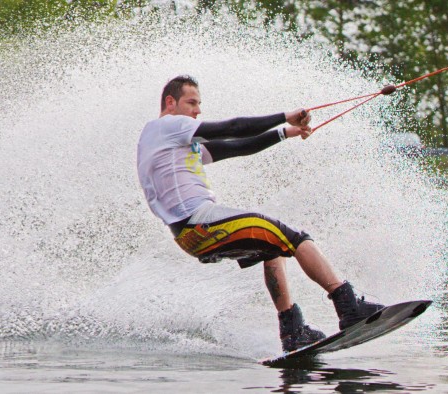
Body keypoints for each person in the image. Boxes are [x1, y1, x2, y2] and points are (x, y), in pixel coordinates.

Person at [136, 75, 384, 352]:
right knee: (297, 238)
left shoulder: (171, 144)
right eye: (191, 103)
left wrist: (285, 133)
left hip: (190, 238)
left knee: (272, 249)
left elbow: (238, 146)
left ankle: (292, 330)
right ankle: (347, 305)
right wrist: (284, 116)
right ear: (170, 102)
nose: (198, 111)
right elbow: (233, 128)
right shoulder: (166, 126)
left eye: (199, 104)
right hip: (200, 223)